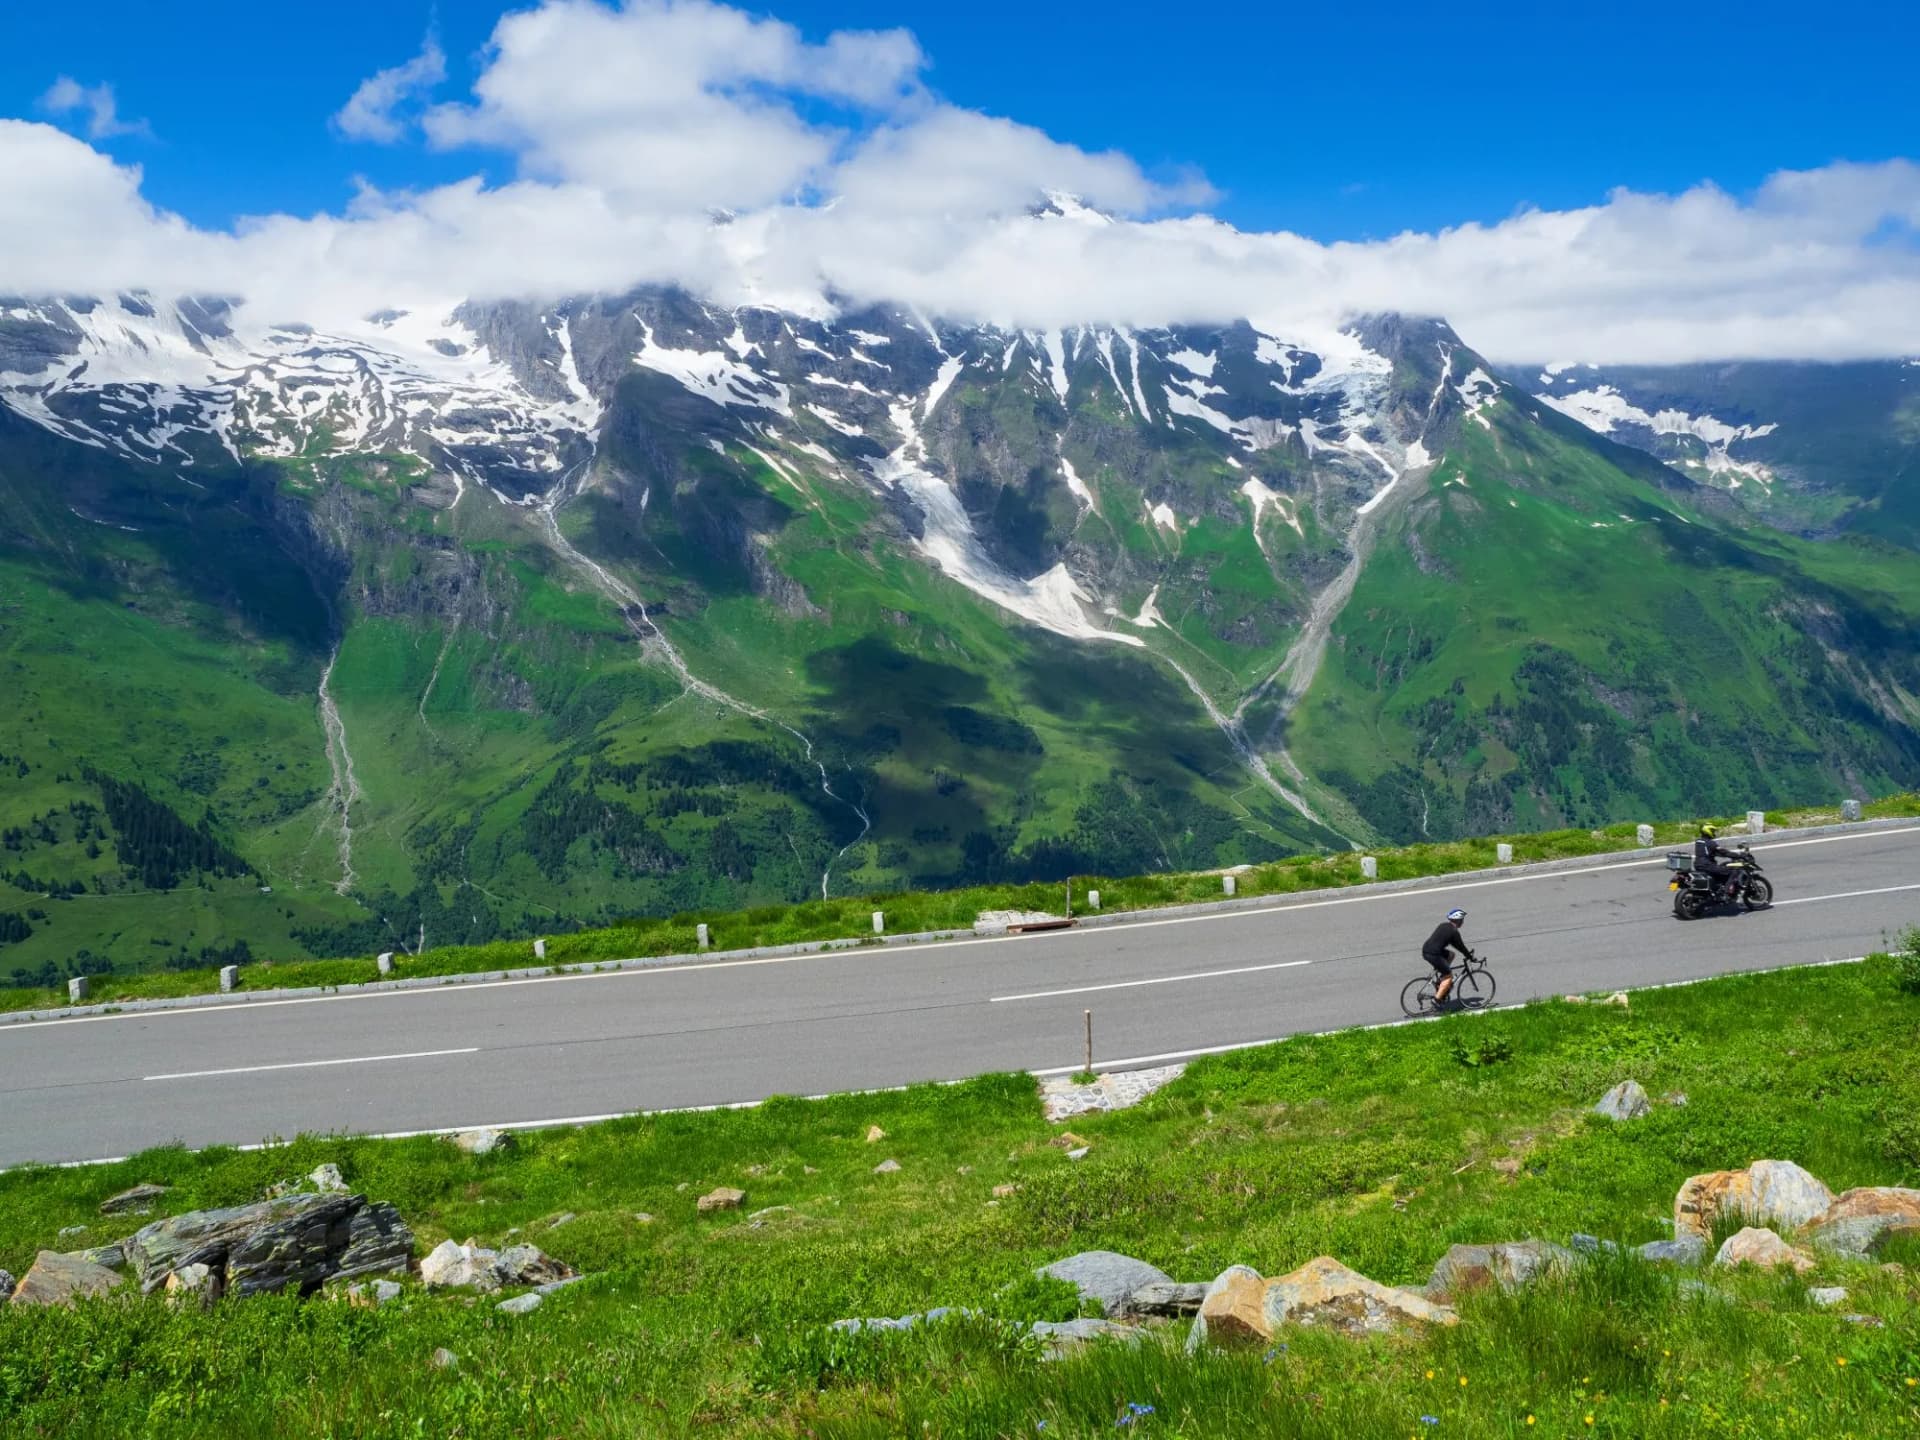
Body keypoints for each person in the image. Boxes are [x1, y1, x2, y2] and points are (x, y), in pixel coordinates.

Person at [1422, 908, 1474, 1006]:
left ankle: (1441, 979)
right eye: (1462, 920)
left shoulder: (1443, 925)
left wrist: (1467, 954)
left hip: (1426, 950)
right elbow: (1461, 947)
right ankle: (1436, 1000)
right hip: (1434, 954)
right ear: (1458, 920)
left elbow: (1456, 946)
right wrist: (1470, 957)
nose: (1463, 922)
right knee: (1449, 976)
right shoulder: (1454, 932)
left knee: (1451, 955)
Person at [1693, 824, 1736, 900]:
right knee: (1733, 872)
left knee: (1719, 870)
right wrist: (1738, 855)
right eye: (1712, 831)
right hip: (1708, 866)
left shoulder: (1698, 841)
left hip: (1698, 865)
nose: (1714, 833)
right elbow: (1724, 852)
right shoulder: (1711, 843)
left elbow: (1712, 852)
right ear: (1708, 831)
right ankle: (1725, 894)